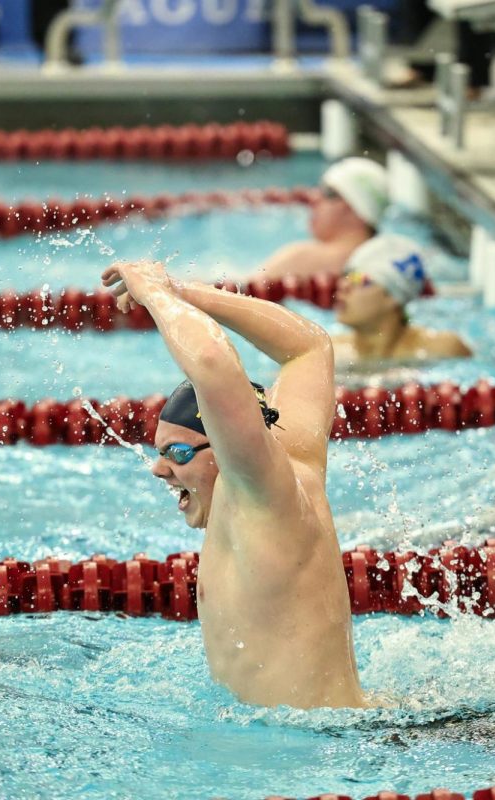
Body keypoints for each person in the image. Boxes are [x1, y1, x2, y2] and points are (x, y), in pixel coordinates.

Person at [101, 259, 366, 709]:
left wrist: (157, 296)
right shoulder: (293, 457)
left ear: (227, 447)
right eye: (160, 451)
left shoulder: (256, 488)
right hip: (327, 732)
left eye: (178, 454)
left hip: (313, 748)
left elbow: (211, 360)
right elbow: (309, 349)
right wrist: (183, 290)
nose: (159, 470)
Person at [334, 234, 472, 364]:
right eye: (345, 276)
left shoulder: (442, 349)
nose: (343, 286)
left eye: (360, 279)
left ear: (393, 296)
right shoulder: (331, 352)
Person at [256, 157, 388, 282]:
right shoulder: (387, 263)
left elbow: (240, 299)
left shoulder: (301, 258)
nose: (315, 198)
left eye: (328, 192)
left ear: (355, 206)